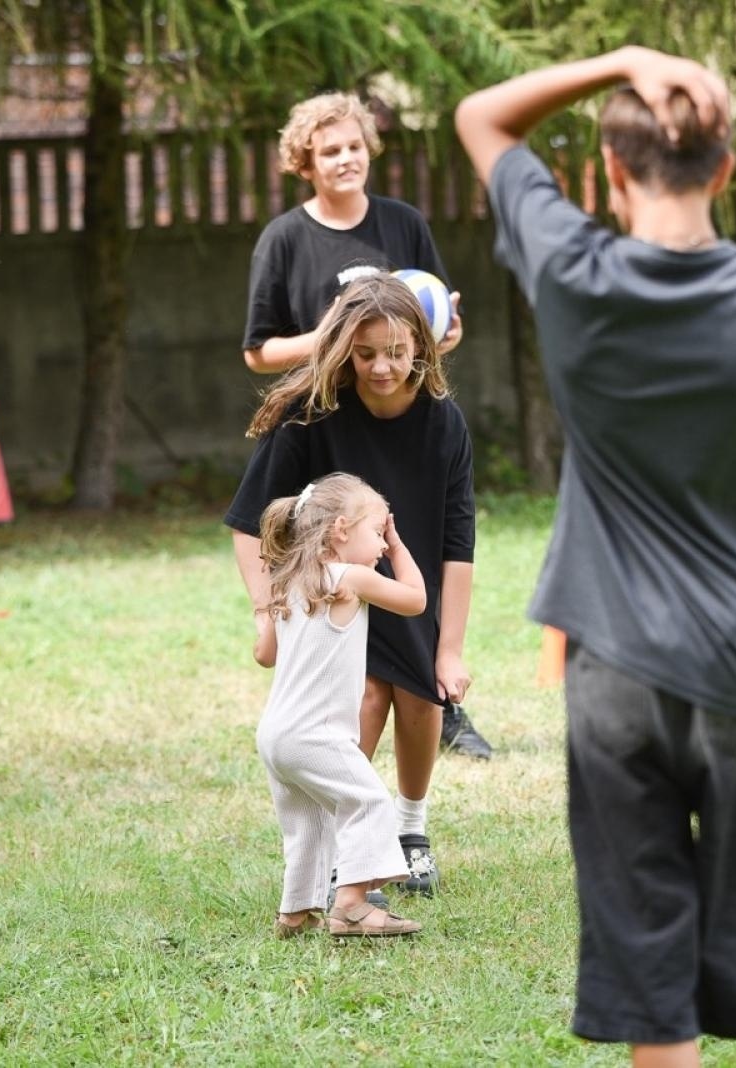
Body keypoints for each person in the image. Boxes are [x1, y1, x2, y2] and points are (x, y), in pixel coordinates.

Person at [456, 47, 736, 1067]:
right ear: (729, 172)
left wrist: (621, 62)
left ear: (610, 172)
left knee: (649, 976)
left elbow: (481, 118)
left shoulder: (570, 269)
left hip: (614, 672)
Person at [241, 91, 492, 761]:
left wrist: (439, 334)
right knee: (350, 622)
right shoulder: (284, 239)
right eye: (330, 150)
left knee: (413, 566)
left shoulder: (403, 223)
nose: (346, 159)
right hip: (331, 425)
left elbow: (431, 324)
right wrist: (336, 338)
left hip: (398, 418)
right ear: (305, 162)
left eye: (355, 146)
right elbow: (258, 351)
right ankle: (331, 742)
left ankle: (440, 701)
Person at [227, 274, 474, 900]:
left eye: (396, 352)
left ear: (421, 346)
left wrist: (450, 650)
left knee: (421, 702)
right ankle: (349, 849)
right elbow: (248, 523)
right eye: (365, 354)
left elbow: (458, 543)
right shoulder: (311, 413)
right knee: (360, 701)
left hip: (409, 584)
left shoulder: (445, 423)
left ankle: (411, 830)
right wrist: (265, 612)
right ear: (344, 348)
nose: (382, 367)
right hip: (337, 593)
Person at [254, 473, 427, 938]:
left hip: (275, 735)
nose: (382, 544)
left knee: (308, 823)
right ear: (341, 530)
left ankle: (294, 913)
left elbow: (264, 655)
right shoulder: (350, 577)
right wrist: (400, 548)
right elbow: (415, 601)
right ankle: (351, 906)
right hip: (316, 734)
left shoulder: (290, 583)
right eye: (378, 532)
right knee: (369, 803)